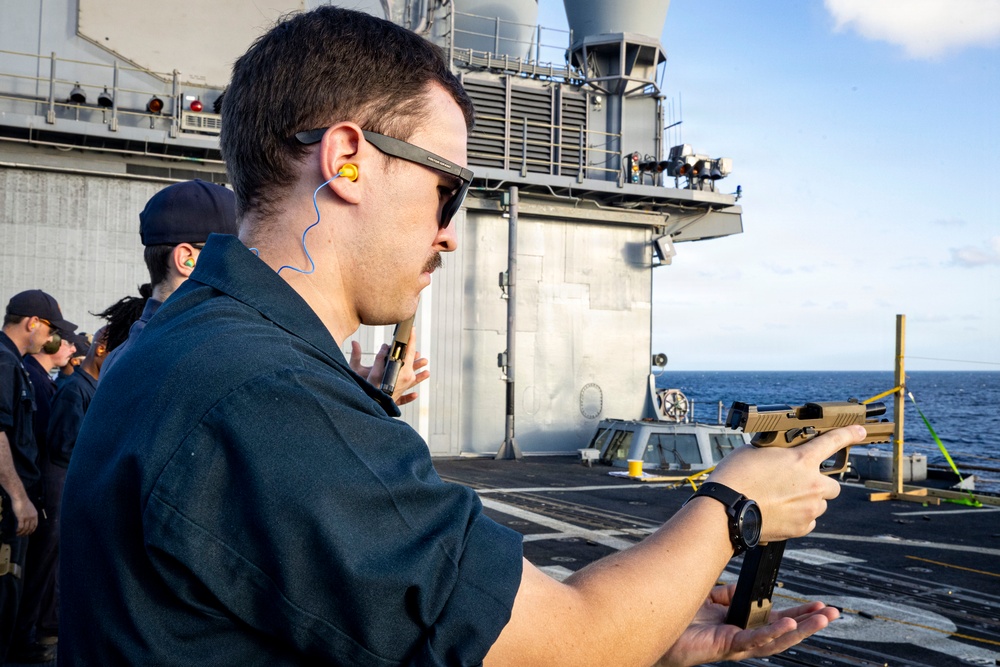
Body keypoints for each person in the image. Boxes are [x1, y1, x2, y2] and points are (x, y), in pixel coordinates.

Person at [60, 7, 863, 666]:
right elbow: (573, 644)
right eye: (447, 192)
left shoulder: (200, 345)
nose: (451, 234)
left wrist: (649, 637)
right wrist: (738, 505)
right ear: (346, 161)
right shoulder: (263, 393)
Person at [98, 179, 240, 375]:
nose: (245, 266)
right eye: (237, 254)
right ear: (187, 260)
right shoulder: (197, 358)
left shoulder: (125, 353)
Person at [0, 290, 73, 664]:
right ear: (33, 323)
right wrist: (18, 497)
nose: (52, 340)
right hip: (6, 505)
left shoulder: (14, 362)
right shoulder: (5, 362)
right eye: (51, 330)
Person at [12, 332, 78, 663]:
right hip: (37, 486)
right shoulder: (32, 376)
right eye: (64, 339)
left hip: (37, 485)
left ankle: (26, 633)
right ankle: (23, 636)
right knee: (34, 564)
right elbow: (42, 443)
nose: (71, 347)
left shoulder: (41, 378)